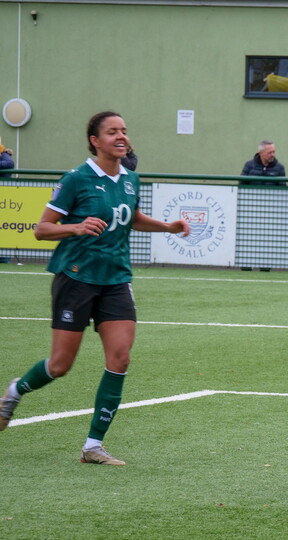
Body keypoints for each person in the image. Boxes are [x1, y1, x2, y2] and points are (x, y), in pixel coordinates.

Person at [0, 111, 190, 467]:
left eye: (124, 131)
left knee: (120, 357)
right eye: (112, 132)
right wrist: (75, 227)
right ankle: (13, 392)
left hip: (116, 279)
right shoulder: (76, 179)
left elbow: (131, 217)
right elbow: (42, 229)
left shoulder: (131, 178)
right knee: (60, 365)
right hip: (75, 278)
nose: (121, 136)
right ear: (95, 140)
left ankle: (93, 446)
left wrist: (167, 226)